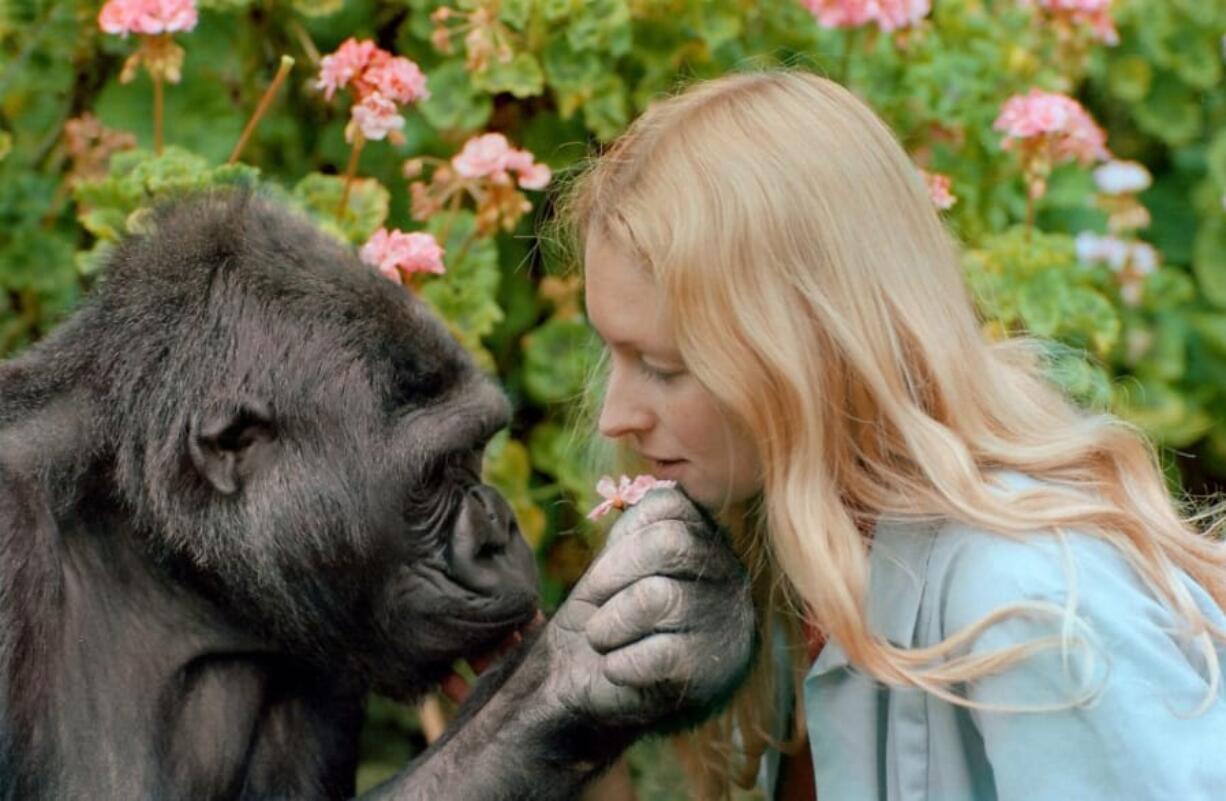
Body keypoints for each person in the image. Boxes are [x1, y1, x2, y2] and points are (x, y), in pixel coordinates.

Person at [558, 70, 1226, 801]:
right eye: (613, 354)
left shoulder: (1025, 601)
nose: (613, 415)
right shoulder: (800, 551)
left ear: (808, 352)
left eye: (661, 365)